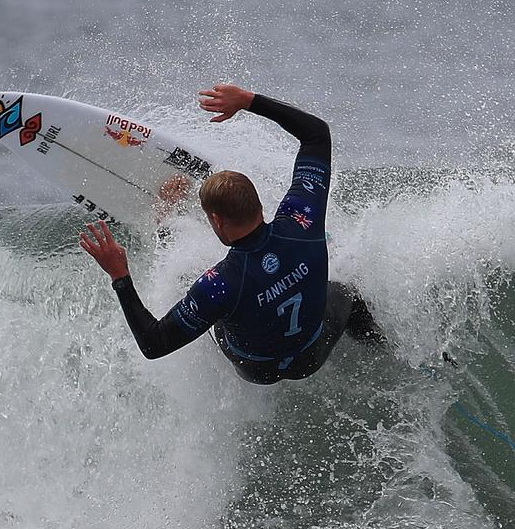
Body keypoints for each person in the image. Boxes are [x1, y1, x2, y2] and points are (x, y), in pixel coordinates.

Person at [79, 83, 379, 385]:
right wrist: (248, 100)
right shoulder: (302, 221)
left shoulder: (218, 283)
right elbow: (316, 133)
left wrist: (120, 275)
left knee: (203, 296)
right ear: (260, 205)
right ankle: (381, 349)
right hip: (311, 355)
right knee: (346, 292)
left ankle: (167, 224)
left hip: (257, 370)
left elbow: (154, 344)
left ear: (216, 220)